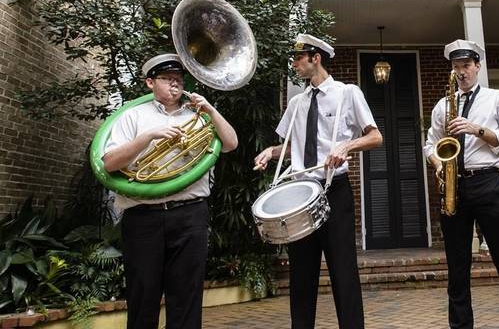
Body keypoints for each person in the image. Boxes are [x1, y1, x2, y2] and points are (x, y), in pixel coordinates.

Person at [253, 34, 382, 329]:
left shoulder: (347, 93)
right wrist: (269, 153)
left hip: (333, 191)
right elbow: (288, 147)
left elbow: (375, 136)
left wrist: (346, 146)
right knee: (301, 276)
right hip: (299, 195)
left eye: (299, 58)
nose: (294, 64)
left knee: (343, 273)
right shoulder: (297, 102)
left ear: (316, 58)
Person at [101, 53, 239, 329]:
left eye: (179, 79)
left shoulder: (197, 117)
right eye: (167, 79)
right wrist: (147, 138)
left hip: (190, 215)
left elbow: (231, 143)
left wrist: (211, 110)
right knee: (142, 296)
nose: (175, 85)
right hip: (142, 217)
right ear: (150, 82)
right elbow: (110, 163)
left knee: (186, 297)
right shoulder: (133, 115)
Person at [423, 39, 499, 329]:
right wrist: (437, 164)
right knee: (457, 270)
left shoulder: (496, 98)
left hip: (487, 182)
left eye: (466, 66)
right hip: (453, 186)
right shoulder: (442, 105)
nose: (461, 71)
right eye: (456, 66)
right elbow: (429, 145)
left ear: (477, 67)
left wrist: (476, 129)